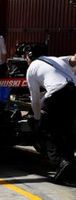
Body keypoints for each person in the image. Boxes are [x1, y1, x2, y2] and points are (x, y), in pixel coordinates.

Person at [25, 44, 76, 183]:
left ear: (29, 57)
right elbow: (72, 60)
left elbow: (35, 100)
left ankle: (61, 163)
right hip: (73, 92)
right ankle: (70, 168)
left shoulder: (31, 68)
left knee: (48, 133)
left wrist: (37, 120)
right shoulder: (56, 59)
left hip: (57, 95)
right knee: (67, 132)